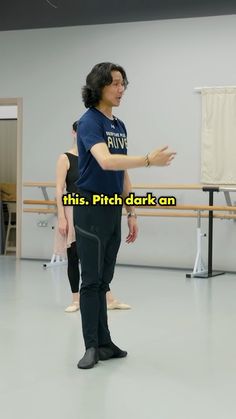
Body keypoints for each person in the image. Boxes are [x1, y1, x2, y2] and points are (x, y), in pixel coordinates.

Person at [74, 62, 176, 369]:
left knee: (105, 280)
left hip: (112, 210)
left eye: (123, 84)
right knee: (91, 281)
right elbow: (105, 161)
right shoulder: (90, 121)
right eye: (115, 83)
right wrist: (148, 159)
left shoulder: (119, 125)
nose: (121, 89)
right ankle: (91, 346)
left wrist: (131, 211)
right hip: (90, 208)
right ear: (99, 86)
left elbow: (122, 172)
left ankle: (105, 342)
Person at [54, 121, 131, 313]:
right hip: (72, 208)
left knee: (99, 253)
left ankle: (107, 296)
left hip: (95, 208)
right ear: (74, 133)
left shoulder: (96, 156)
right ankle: (75, 299)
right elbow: (58, 189)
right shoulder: (65, 158)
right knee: (74, 254)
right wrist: (62, 217)